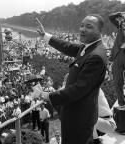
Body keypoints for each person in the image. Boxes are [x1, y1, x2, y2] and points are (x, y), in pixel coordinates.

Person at [35, 14, 107, 144]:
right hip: (76, 113)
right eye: (81, 25)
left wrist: (48, 96)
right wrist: (45, 36)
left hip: (79, 117)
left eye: (89, 26)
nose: (82, 29)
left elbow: (78, 89)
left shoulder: (95, 56)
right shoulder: (88, 47)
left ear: (100, 31)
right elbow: (67, 47)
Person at [109, 12, 125, 106]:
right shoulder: (120, 26)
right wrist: (120, 13)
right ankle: (121, 102)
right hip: (118, 55)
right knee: (118, 81)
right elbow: (110, 17)